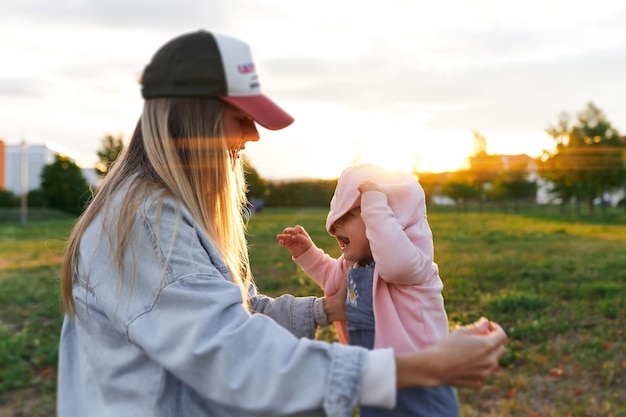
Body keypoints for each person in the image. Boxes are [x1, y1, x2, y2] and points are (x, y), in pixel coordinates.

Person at [57, 29, 507, 417]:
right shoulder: (147, 224)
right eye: (240, 117)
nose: (252, 135)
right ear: (189, 115)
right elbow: (234, 355)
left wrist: (326, 311)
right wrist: (427, 367)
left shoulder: (166, 214)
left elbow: (235, 315)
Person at [277, 163, 460, 416]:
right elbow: (332, 281)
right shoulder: (354, 263)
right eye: (335, 221)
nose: (336, 228)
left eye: (348, 217)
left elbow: (394, 265)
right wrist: (308, 255)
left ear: (387, 217)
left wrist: (374, 206)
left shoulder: (412, 262)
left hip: (418, 379)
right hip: (375, 375)